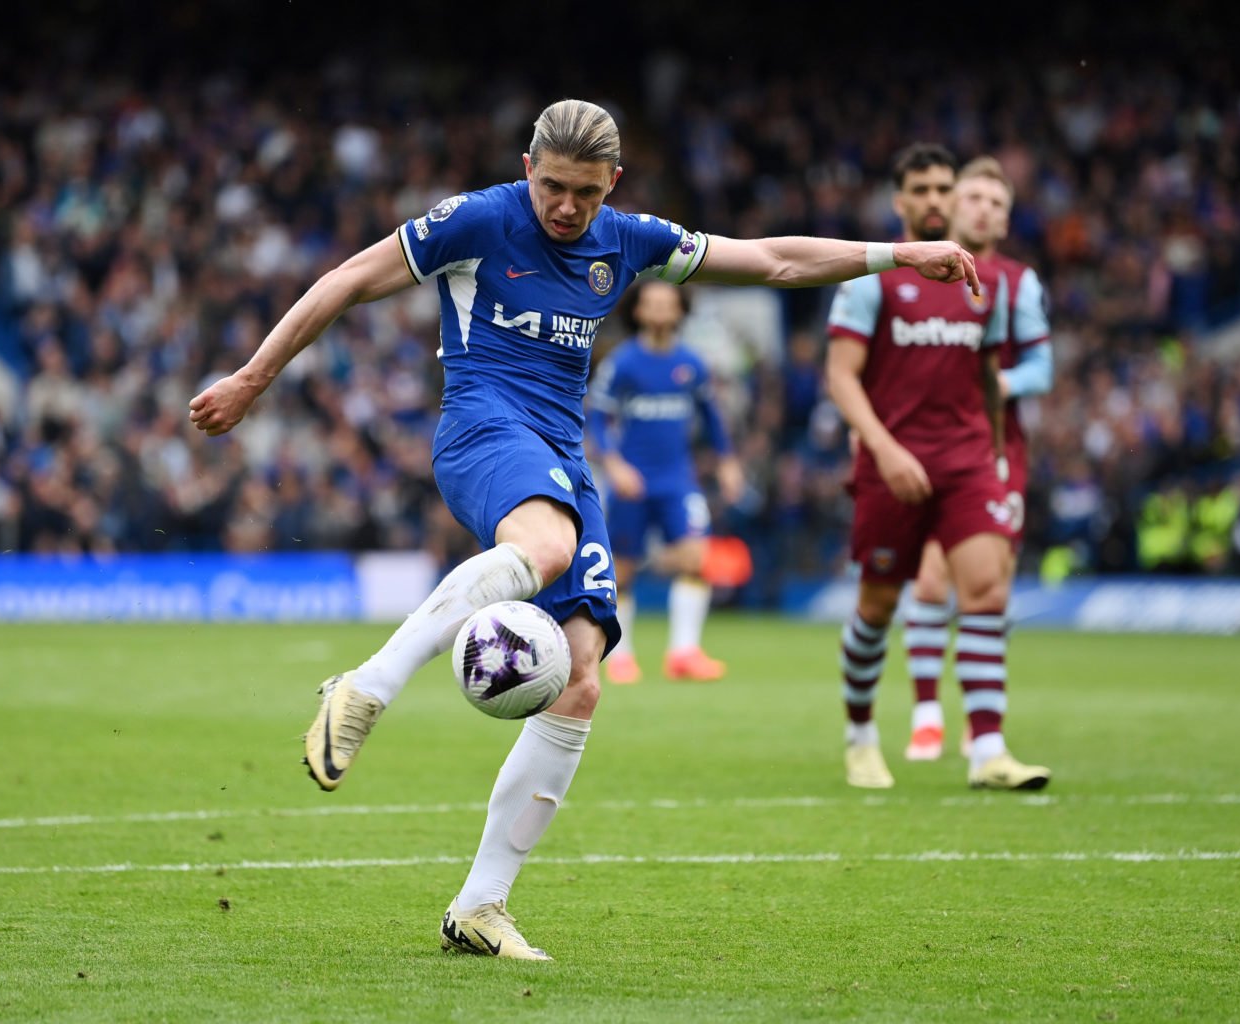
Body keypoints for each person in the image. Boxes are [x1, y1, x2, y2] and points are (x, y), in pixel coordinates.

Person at [188, 100, 978, 961]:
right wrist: (252, 379)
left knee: (581, 679)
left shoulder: (629, 239)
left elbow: (777, 261)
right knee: (548, 548)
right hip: (484, 428)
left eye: (584, 194)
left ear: (614, 185)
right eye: (553, 187)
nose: (566, 208)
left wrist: (899, 255)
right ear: (528, 167)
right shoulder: (480, 218)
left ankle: (480, 906)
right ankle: (366, 688)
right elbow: (346, 280)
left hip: (565, 458)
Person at [824, 142, 1049, 792]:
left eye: (942, 189)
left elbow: (990, 378)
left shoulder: (990, 284)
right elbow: (841, 379)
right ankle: (861, 735)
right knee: (876, 607)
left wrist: (999, 462)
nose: (933, 201)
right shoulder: (875, 279)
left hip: (967, 463)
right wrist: (884, 449)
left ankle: (989, 752)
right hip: (890, 465)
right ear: (900, 202)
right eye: (918, 190)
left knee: (986, 593)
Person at [899, 156, 1055, 763]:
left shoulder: (1018, 282)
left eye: (997, 201)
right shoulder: (916, 270)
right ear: (951, 206)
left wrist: (992, 388)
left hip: (992, 447)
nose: (984, 208)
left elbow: (1043, 367)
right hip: (923, 443)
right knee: (932, 577)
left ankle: (982, 721)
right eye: (974, 197)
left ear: (1007, 218)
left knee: (988, 586)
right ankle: (927, 713)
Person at [586, 280, 743, 684]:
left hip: (677, 478)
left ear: (679, 311)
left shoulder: (691, 363)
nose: (659, 311)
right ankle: (620, 656)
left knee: (695, 558)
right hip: (632, 480)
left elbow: (711, 417)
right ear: (637, 310)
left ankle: (684, 653)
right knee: (622, 571)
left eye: (667, 304)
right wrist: (615, 464)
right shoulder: (622, 362)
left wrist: (727, 461)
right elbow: (598, 419)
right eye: (651, 303)